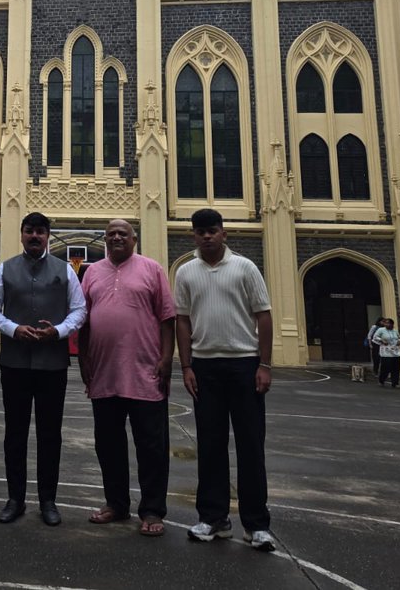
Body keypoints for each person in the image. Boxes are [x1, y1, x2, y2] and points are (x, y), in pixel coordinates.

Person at [174, 208, 276, 552]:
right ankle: (214, 518)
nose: (207, 236)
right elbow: (183, 321)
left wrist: (265, 364)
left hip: (244, 365)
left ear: (223, 234)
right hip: (205, 368)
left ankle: (256, 525)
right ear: (194, 235)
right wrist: (186, 365)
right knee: (210, 445)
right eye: (200, 231)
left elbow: (263, 315)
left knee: (250, 446)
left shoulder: (245, 268)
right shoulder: (186, 271)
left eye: (212, 230)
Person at [0, 212, 86, 527]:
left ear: (47, 236)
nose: (35, 236)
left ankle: (48, 501)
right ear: (22, 234)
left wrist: (58, 331)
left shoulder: (65, 270)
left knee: (49, 434)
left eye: (40, 232)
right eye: (29, 231)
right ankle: (15, 499)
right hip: (14, 363)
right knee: (14, 434)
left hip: (52, 365)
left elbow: (80, 310)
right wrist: (13, 329)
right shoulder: (5, 268)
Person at [78, 219, 175, 537]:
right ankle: (116, 504)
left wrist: (165, 359)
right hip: (104, 374)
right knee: (108, 444)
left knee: (152, 446)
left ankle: (151, 509)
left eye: (123, 233)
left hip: (145, 373)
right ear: (104, 239)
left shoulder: (152, 269)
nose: (117, 237)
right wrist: (83, 361)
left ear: (134, 239)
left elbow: (166, 318)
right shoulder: (91, 272)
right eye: (111, 234)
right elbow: (84, 321)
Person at [373, 318, 400, 388]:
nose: (386, 324)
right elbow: (375, 337)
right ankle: (381, 380)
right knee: (386, 367)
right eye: (385, 323)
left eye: (388, 323)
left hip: (395, 351)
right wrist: (382, 340)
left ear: (392, 324)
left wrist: (399, 341)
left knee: (396, 368)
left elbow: (399, 337)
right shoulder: (381, 330)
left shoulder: (395, 331)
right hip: (386, 352)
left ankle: (395, 383)